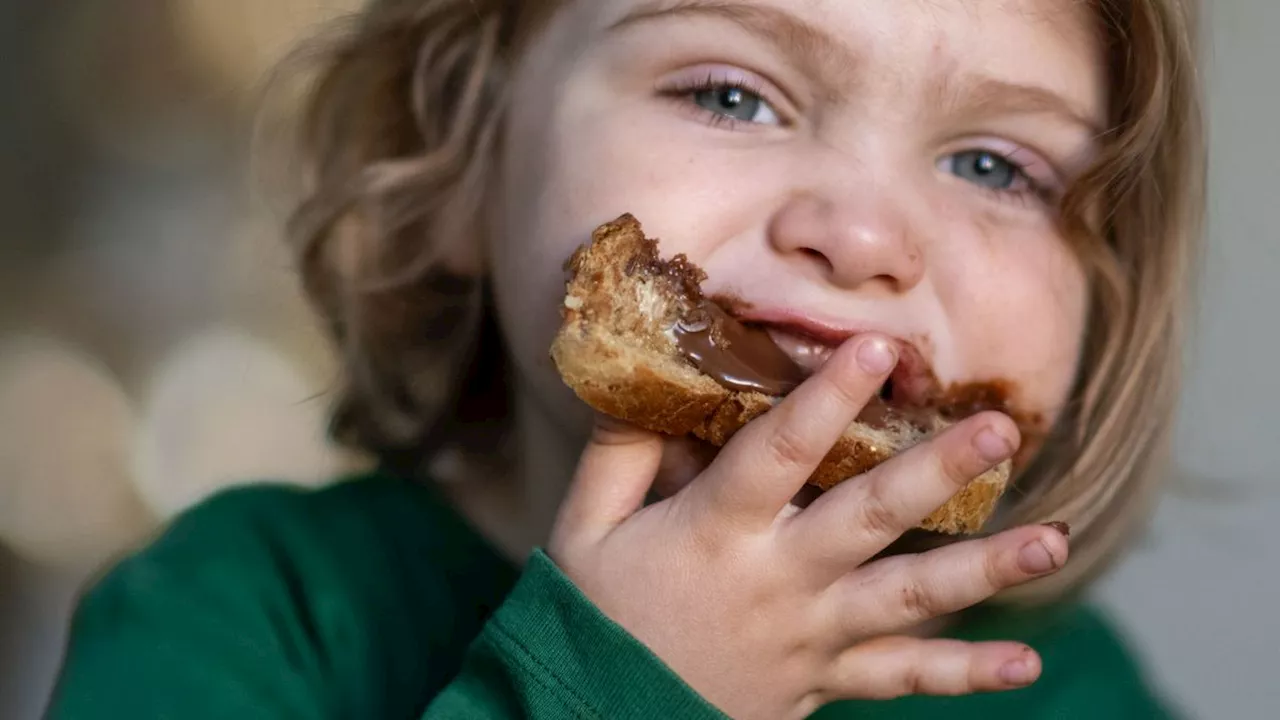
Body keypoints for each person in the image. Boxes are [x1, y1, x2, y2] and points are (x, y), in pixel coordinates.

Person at [45, 0, 1206, 718]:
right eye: (729, 95)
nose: (859, 236)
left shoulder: (1058, 689)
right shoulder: (246, 613)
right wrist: (617, 693)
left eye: (993, 168)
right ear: (456, 167)